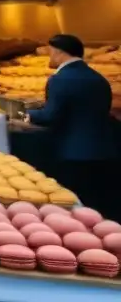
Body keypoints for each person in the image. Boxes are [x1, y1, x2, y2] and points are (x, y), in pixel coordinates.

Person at [27, 34, 120, 219]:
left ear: (59, 53)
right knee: (100, 206)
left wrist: (29, 115)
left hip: (72, 153)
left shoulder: (59, 79)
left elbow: (50, 116)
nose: (50, 57)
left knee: (77, 208)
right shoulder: (99, 79)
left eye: (51, 53)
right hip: (105, 150)